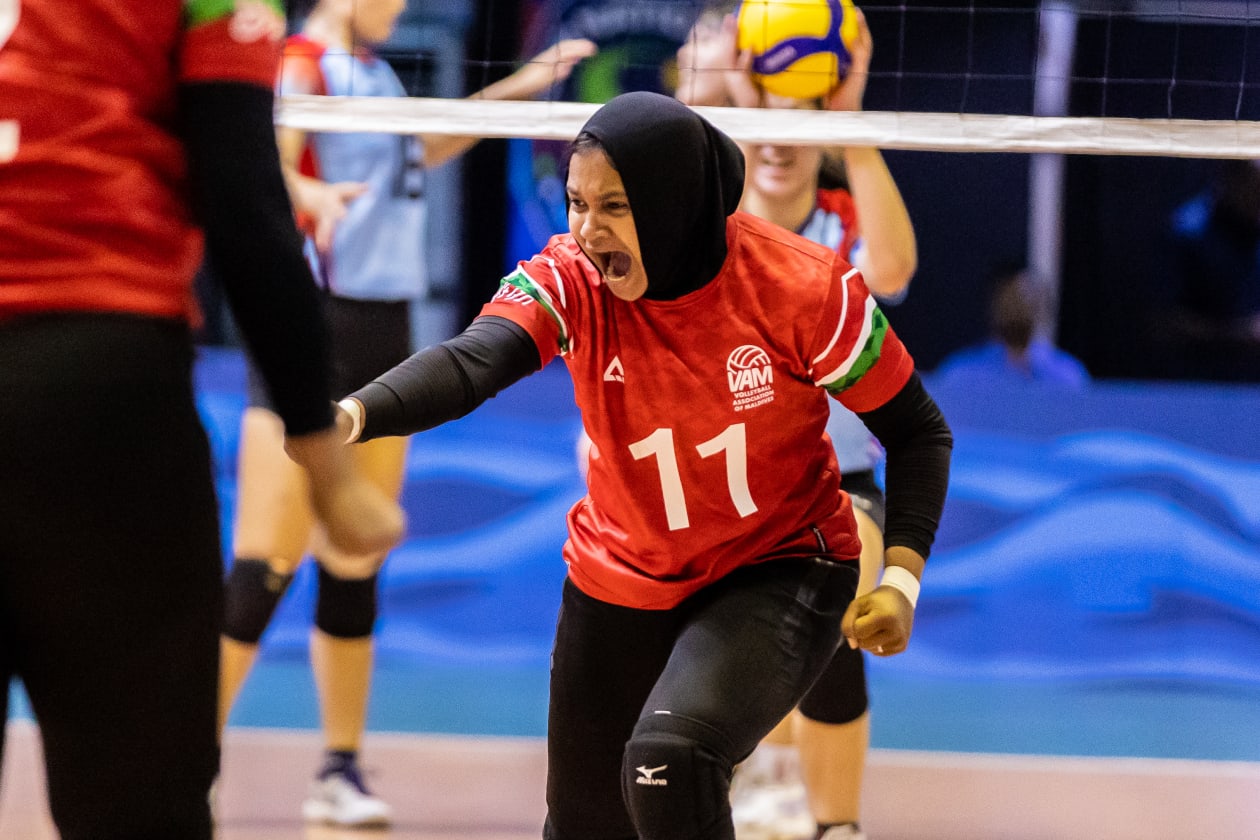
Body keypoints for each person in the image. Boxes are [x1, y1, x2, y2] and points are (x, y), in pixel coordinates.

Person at [333, 91, 952, 840]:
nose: (587, 230)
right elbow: (473, 361)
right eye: (576, 203)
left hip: (779, 563)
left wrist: (901, 579)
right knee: (583, 825)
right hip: (622, 573)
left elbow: (918, 432)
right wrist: (351, 415)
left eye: (614, 207)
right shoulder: (572, 277)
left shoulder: (804, 287)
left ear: (672, 202)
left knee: (669, 759)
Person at [0, 2, 404, 838]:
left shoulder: (371, 71)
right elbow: (246, 201)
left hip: (97, 376)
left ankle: (339, 763)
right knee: (139, 801)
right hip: (95, 376)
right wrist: (324, 461)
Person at [215, 0, 597, 828]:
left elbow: (423, 143)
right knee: (263, 566)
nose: (400, 6)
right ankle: (186, 757)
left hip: (386, 326)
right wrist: (310, 192)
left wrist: (524, 88)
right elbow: (260, 163)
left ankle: (340, 767)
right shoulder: (304, 60)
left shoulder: (377, 73)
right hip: (311, 321)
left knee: (355, 560)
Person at [675, 6, 916, 840]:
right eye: (763, 128)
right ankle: (760, 775)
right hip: (726, 488)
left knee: (838, 614)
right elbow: (674, 161)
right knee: (724, 644)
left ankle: (833, 824)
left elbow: (894, 268)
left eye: (798, 129)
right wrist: (729, 94)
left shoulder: (844, 227)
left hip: (839, 482)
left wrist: (850, 121)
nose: (779, 144)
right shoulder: (712, 230)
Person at [1162, 158, 1260, 381]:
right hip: (1202, 381)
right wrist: (1239, 333)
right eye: (1256, 189)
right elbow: (1166, 323)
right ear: (1232, 180)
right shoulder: (1188, 230)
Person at [933, 264, 1089, 390]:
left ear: (1043, 310)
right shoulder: (960, 374)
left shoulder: (1069, 376)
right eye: (1011, 300)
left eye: (1028, 299)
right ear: (994, 307)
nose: (1018, 309)